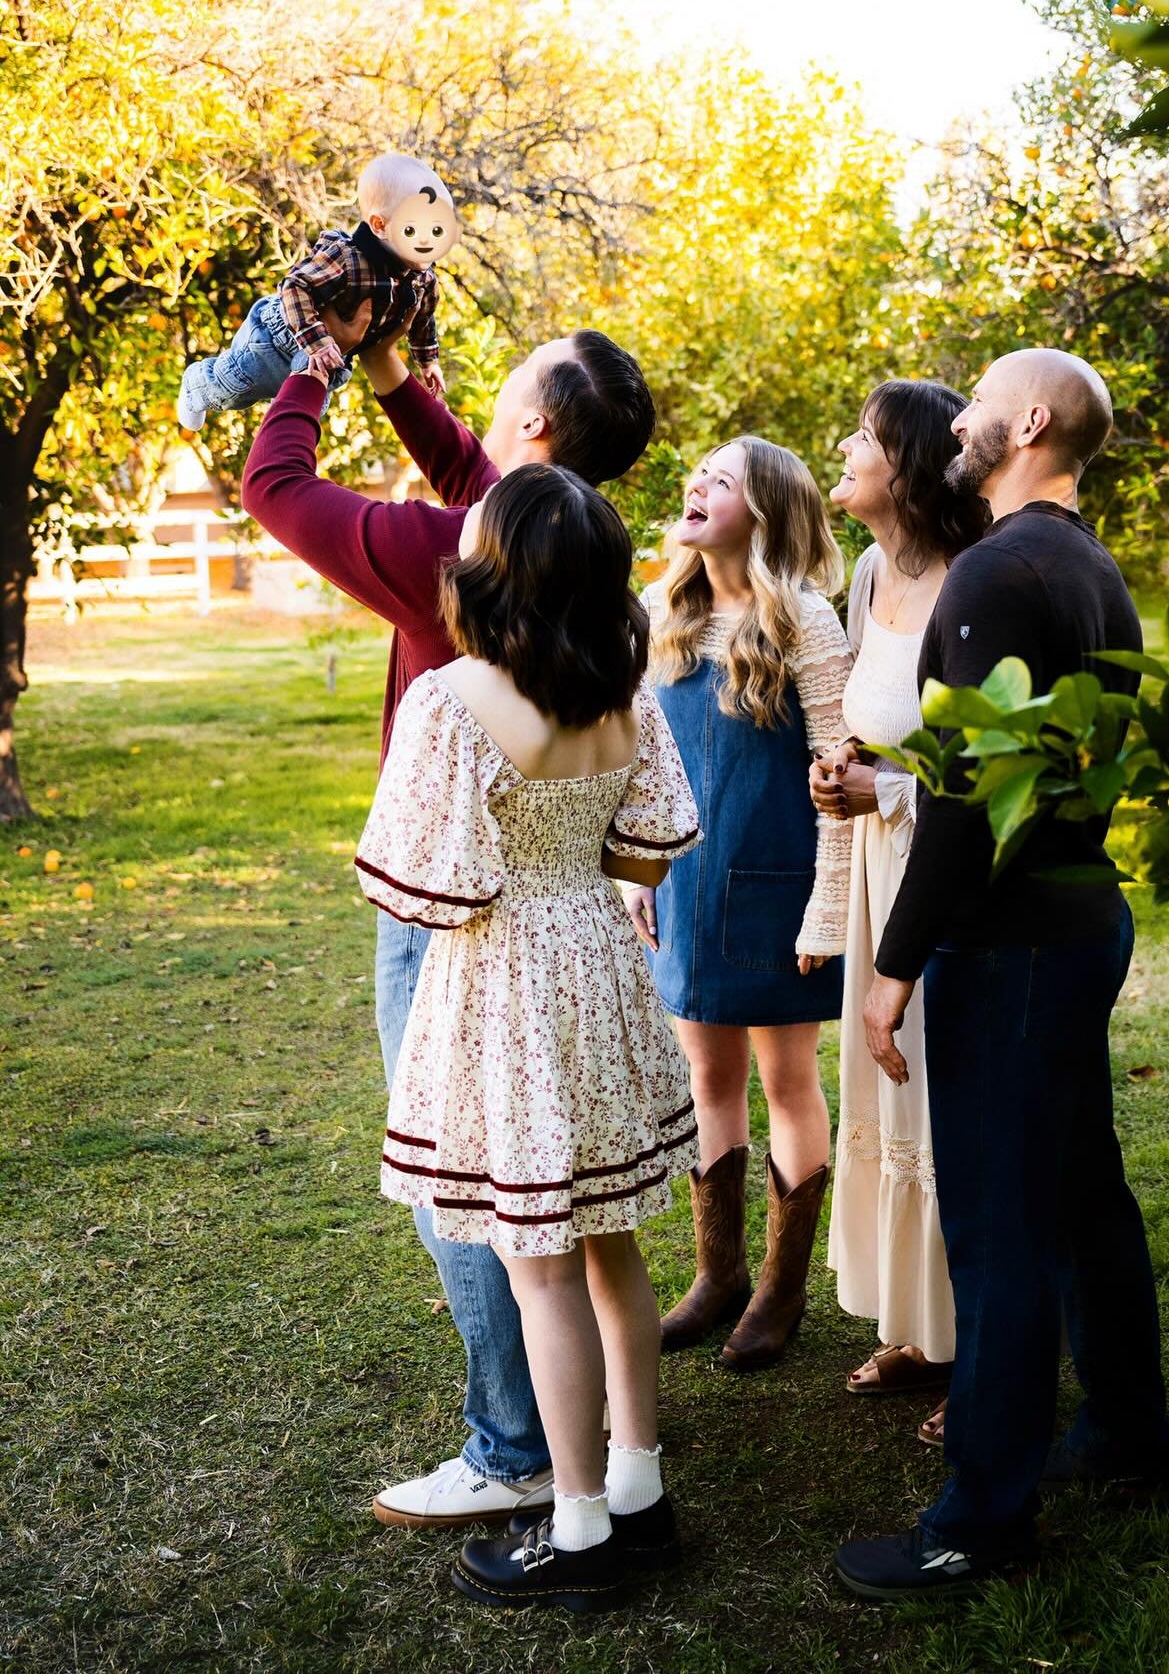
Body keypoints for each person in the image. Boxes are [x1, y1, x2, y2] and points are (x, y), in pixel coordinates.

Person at [241, 302, 655, 1530]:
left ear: (530, 422)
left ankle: (513, 1440)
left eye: (496, 389)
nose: (468, 400)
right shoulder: (594, 578)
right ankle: (618, 1457)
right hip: (589, 926)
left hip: (472, 928)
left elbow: (275, 486)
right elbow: (492, 480)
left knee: (472, 1183)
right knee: (587, 1206)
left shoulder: (445, 567)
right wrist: (399, 382)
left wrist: (312, 362)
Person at [834, 348, 1169, 1603]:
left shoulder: (996, 569)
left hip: (1017, 936)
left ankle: (981, 1518)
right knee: (1085, 1191)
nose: (961, 418)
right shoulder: (1094, 567)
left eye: (980, 400)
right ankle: (1129, 1438)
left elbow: (972, 805)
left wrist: (894, 965)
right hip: (1084, 919)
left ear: (1030, 422)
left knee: (999, 1234)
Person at [356, 465, 700, 1611]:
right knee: (612, 1248)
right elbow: (649, 848)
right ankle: (639, 1485)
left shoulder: (452, 701)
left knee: (538, 1264)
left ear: (489, 569)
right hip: (598, 966)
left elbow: (425, 891)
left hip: (502, 981)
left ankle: (580, 1519)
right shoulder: (626, 694)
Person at [624, 437, 852, 1371]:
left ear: (765, 511)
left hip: (779, 895)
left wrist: (829, 910)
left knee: (786, 1082)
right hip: (680, 887)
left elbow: (842, 774)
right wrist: (630, 873)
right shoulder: (659, 611)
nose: (697, 484)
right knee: (704, 1081)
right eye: (698, 473)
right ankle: (715, 1276)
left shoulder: (806, 620)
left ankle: (778, 1290)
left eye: (723, 479)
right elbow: (635, 759)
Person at [811, 381, 985, 1439]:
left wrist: (894, 791)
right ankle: (921, 1327)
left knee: (943, 1104)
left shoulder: (978, 581)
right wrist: (846, 776)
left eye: (865, 439)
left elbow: (997, 773)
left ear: (910, 468)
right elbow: (873, 730)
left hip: (948, 877)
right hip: (879, 866)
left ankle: (981, 1349)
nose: (844, 446)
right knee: (886, 1101)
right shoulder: (874, 568)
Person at [180, 152, 458, 429]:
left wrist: (428, 360)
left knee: (307, 416)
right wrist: (318, 342)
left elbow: (423, 319)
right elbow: (295, 285)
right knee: (233, 389)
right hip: (281, 338)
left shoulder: (424, 280)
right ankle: (196, 384)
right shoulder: (347, 257)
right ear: (380, 225)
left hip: (332, 357)